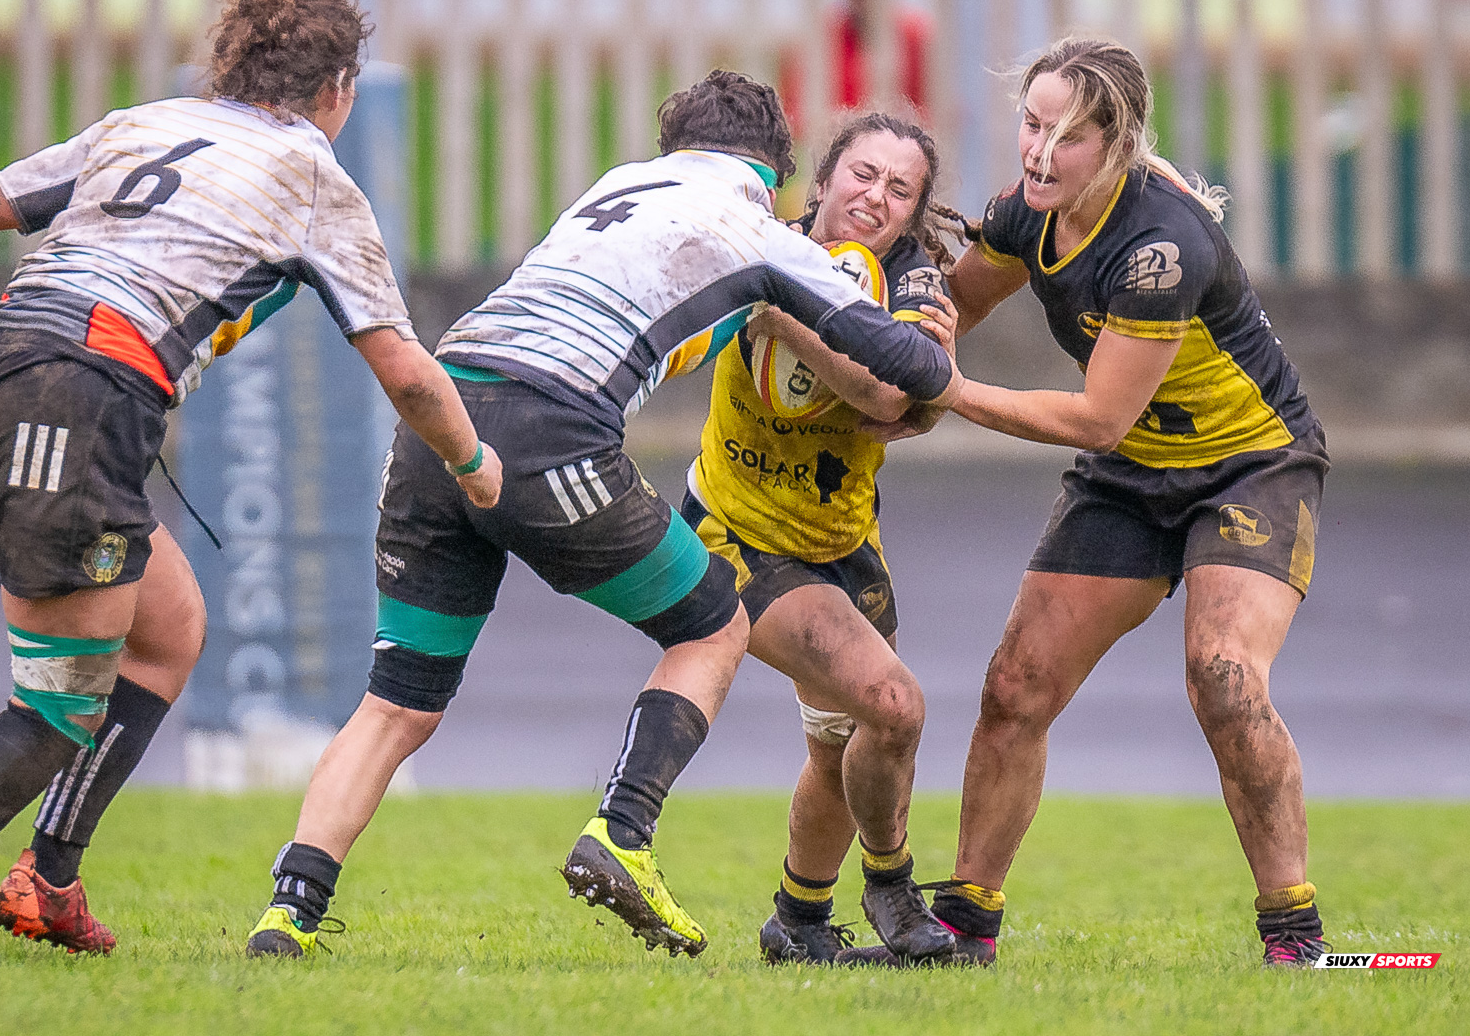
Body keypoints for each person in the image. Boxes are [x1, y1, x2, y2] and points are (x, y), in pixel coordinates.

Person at [0, 0, 502, 964]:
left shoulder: (143, 124)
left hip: (1, 376)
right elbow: (405, 369)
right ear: (338, 86)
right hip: (80, 400)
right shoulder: (312, 173)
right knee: (55, 705)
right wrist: (475, 463)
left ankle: (47, 879)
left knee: (168, 631)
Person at [244, 70, 963, 961]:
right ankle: (624, 829)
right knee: (715, 622)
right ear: (782, 175)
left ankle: (289, 912)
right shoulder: (756, 226)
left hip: (441, 412)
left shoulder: (617, 185)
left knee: (397, 701)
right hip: (551, 426)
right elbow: (910, 371)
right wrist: (933, 364)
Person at [885, 36, 1329, 968]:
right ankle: (965, 925)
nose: (1040, 152)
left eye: (1069, 138)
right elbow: (952, 307)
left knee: (1223, 675)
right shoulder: (1027, 212)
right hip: (1132, 475)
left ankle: (1296, 936)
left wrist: (952, 392)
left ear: (1117, 144)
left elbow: (1097, 416)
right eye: (1031, 125)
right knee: (1015, 686)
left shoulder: (1160, 249)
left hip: (1249, 467)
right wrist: (876, 341)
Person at [682, 112, 968, 967]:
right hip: (739, 535)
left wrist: (781, 320)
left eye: (900, 189)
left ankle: (798, 920)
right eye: (863, 174)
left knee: (847, 744)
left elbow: (890, 396)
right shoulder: (760, 240)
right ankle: (891, 880)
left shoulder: (913, 279)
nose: (876, 197)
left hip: (844, 539)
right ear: (825, 177)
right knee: (893, 705)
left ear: (915, 212)